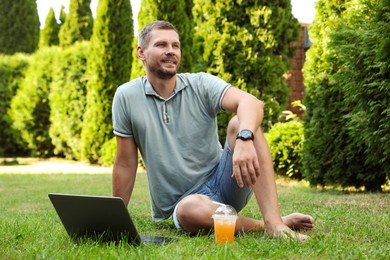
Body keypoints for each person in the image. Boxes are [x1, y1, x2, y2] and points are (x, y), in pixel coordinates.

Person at [112, 20, 314, 241]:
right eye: (162, 45)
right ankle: (265, 225)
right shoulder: (126, 97)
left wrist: (245, 139)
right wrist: (114, 217)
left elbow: (252, 103)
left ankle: (275, 223)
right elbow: (125, 163)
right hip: (182, 204)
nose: (171, 51)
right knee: (191, 210)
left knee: (241, 123)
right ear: (141, 52)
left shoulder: (200, 84)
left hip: (225, 180)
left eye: (175, 46)